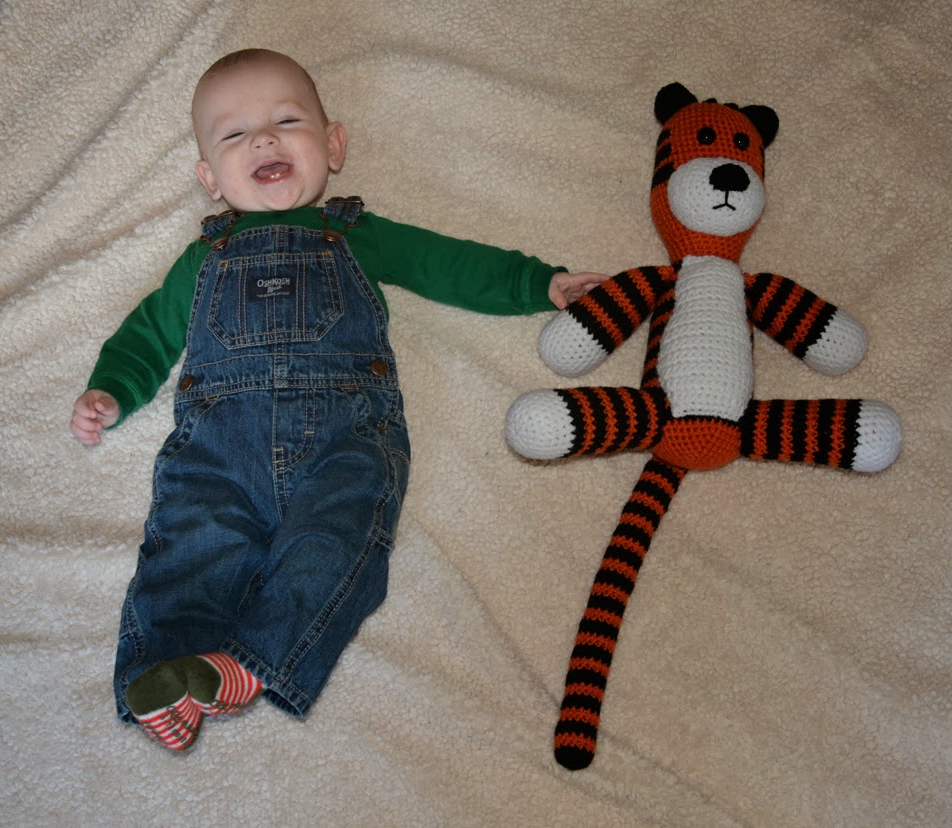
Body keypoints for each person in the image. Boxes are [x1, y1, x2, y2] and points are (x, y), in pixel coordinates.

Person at [70, 48, 605, 751]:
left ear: (334, 145)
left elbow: (446, 262)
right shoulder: (202, 258)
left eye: (286, 121)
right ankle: (166, 675)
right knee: (194, 542)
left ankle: (251, 663)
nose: (263, 139)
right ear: (210, 180)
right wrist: (111, 388)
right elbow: (150, 330)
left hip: (345, 435)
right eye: (235, 134)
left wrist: (539, 282)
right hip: (219, 448)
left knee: (339, 541)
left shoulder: (353, 232)